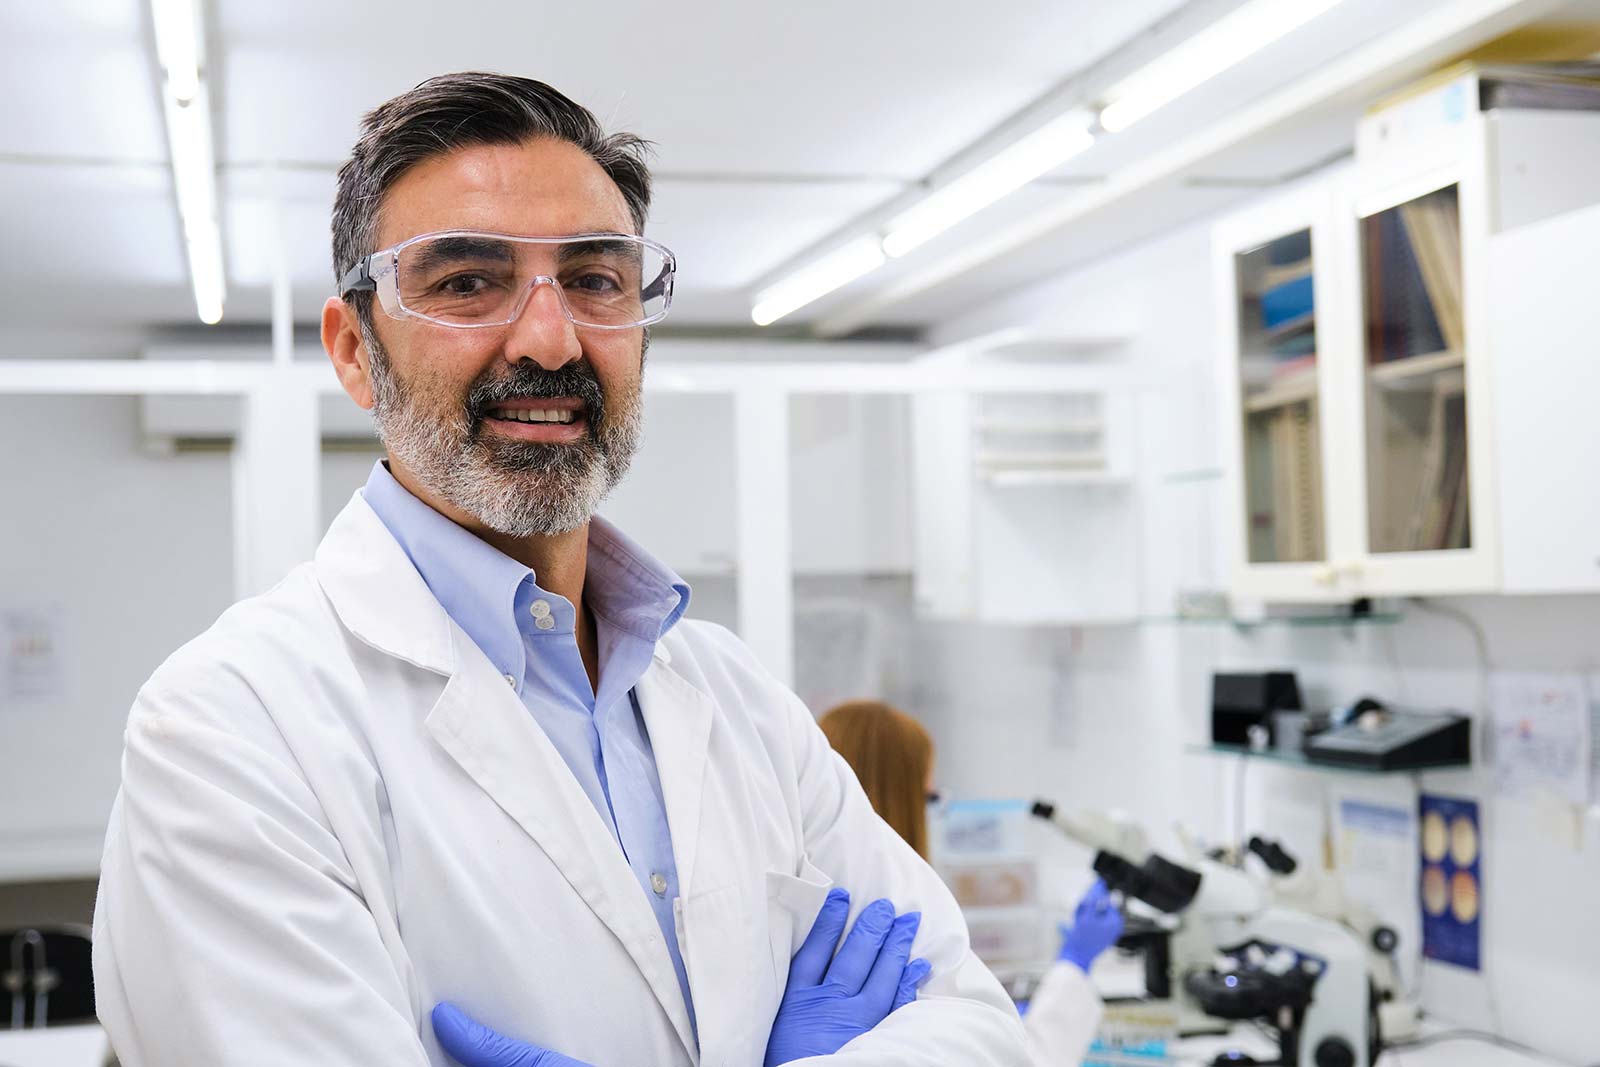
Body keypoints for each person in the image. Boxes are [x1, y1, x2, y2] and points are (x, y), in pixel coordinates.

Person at [90, 74, 1029, 1067]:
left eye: (595, 279)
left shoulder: (737, 700)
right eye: (466, 281)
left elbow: (978, 1027)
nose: (550, 339)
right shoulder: (230, 727)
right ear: (355, 351)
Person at [818, 700, 1124, 1064]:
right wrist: (1074, 964)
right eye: (929, 797)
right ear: (897, 800)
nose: (934, 815)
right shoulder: (894, 924)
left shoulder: (825, 901)